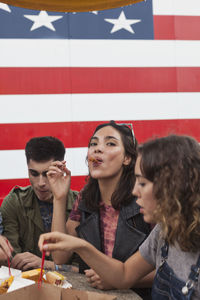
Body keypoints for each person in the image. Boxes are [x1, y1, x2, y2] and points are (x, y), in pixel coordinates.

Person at [39, 134, 200, 299]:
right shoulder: (163, 232)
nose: (135, 191)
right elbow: (124, 275)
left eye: (143, 183)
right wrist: (81, 246)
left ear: (173, 186)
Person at [46, 121, 152, 298]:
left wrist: (119, 279)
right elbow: (59, 257)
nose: (97, 149)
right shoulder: (85, 198)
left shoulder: (143, 198)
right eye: (93, 144)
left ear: (127, 158)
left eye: (110, 143)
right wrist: (59, 198)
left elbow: (168, 267)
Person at [0, 136, 78, 271]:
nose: (41, 183)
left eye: (48, 173)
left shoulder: (81, 204)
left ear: (61, 168)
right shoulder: (14, 202)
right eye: (34, 173)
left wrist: (45, 265)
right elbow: (11, 262)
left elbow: (86, 269)